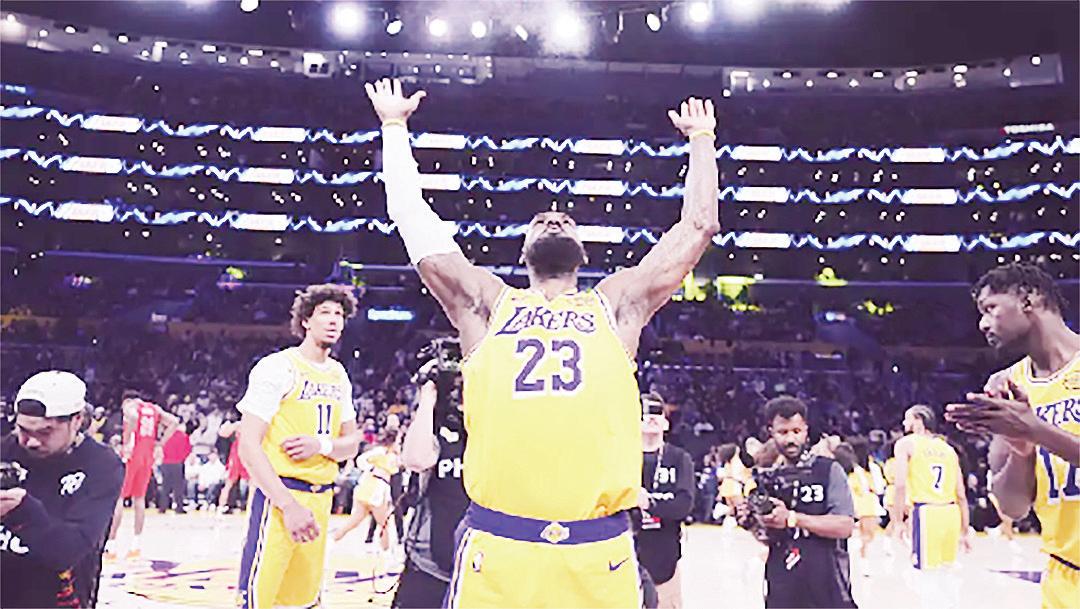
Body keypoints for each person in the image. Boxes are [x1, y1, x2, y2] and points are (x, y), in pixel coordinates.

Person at [367, 77, 719, 607]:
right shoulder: (486, 303)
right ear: (523, 251)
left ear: (583, 251)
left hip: (598, 550)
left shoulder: (617, 304)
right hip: (499, 546)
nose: (554, 219)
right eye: (540, 220)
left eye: (565, 219)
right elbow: (412, 219)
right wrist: (394, 128)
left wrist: (702, 141)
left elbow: (699, 226)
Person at [945, 263, 1079, 608]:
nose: (982, 323)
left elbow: (1037, 430)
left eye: (990, 308)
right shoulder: (1006, 385)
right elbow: (1013, 507)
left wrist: (1037, 430)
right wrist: (1021, 451)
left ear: (1028, 299)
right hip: (1064, 577)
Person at [234, 284, 363, 609]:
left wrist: (320, 445)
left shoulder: (339, 374)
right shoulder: (278, 367)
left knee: (302, 602)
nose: (333, 320)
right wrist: (288, 506)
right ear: (306, 320)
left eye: (339, 314)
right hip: (281, 498)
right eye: (325, 313)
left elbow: (352, 444)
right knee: (258, 600)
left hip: (321, 499)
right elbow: (248, 445)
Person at [0, 371, 124, 608]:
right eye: (23, 430)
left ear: (77, 420)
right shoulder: (6, 449)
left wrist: (22, 511)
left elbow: (69, 550)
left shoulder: (102, 466)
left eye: (45, 432)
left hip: (58, 600)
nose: (31, 442)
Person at [736, 396, 856, 609]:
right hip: (783, 584)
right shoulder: (768, 477)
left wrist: (792, 518)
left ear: (806, 430)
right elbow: (769, 537)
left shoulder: (828, 470)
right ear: (771, 432)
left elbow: (844, 526)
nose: (791, 439)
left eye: (796, 431)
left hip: (828, 583)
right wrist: (752, 522)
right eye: (783, 432)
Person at [393, 377, 470, 608]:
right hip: (430, 562)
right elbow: (416, 459)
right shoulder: (438, 428)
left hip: (480, 563)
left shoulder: (494, 431)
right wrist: (427, 400)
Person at [635, 393, 696, 609]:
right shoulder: (621, 457)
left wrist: (649, 504)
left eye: (656, 412)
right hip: (625, 553)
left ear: (666, 422)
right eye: (644, 412)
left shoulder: (679, 458)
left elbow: (684, 505)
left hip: (665, 556)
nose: (651, 417)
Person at [105, 391, 179, 559]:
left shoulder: (130, 406)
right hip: (147, 455)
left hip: (132, 455)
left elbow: (132, 417)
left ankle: (111, 545)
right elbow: (174, 422)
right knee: (139, 499)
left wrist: (127, 441)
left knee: (119, 498)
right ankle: (136, 545)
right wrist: (160, 443)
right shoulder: (154, 408)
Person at [330, 429, 400, 554]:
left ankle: (333, 539)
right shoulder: (380, 451)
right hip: (374, 487)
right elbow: (361, 460)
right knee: (383, 523)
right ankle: (387, 552)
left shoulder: (392, 454)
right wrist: (371, 468)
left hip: (374, 487)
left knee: (355, 520)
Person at [159, 420, 192, 514]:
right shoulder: (183, 435)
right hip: (178, 463)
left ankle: (163, 507)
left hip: (166, 463)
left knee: (165, 486)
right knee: (178, 487)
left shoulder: (165, 436)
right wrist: (182, 458)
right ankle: (179, 507)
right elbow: (188, 449)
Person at [217, 419, 250, 514]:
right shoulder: (239, 424)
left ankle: (250, 506)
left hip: (248, 452)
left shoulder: (253, 423)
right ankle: (221, 506)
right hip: (238, 452)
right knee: (229, 482)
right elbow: (223, 433)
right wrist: (227, 425)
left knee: (253, 481)